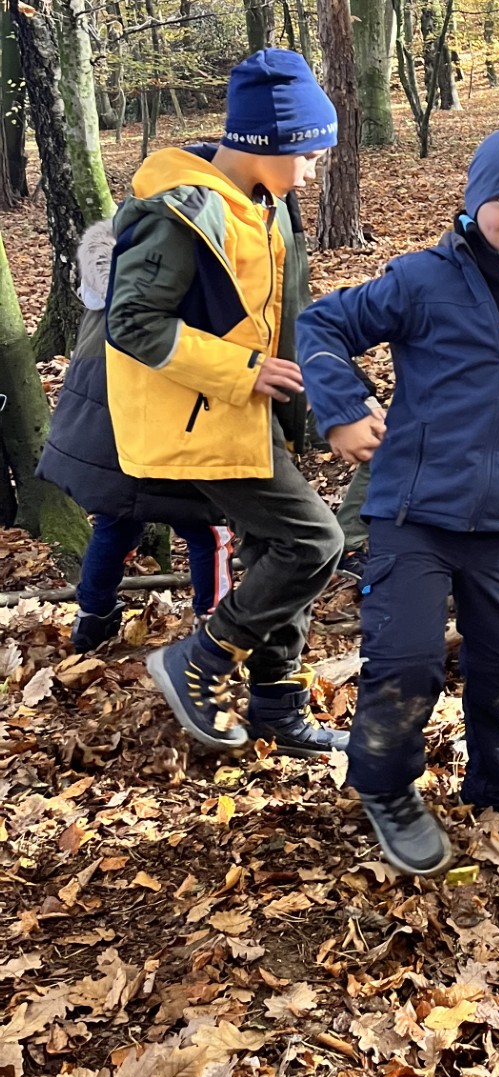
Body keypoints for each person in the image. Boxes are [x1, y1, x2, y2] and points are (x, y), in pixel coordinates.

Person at [296, 126, 499, 877]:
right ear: (474, 206)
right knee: (405, 663)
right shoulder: (424, 280)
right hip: (412, 512)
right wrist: (340, 408)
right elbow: (323, 325)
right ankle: (388, 788)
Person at [105, 47, 348, 757]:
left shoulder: (262, 205)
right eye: (308, 153)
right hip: (200, 422)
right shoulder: (184, 212)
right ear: (267, 144)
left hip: (244, 416)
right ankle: (201, 660)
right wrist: (243, 370)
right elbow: (133, 322)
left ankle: (278, 704)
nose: (313, 168)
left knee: (282, 545)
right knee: (315, 542)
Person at [36, 222, 236, 651]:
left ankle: (93, 616)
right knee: (207, 526)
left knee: (117, 521)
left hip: (102, 432)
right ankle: (215, 633)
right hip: (166, 421)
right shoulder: (178, 277)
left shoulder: (109, 279)